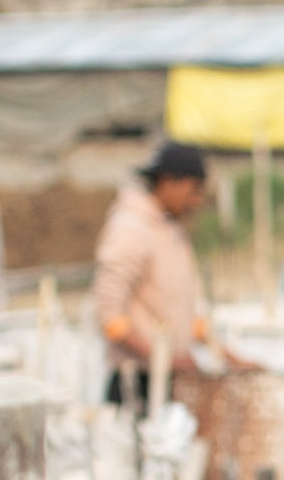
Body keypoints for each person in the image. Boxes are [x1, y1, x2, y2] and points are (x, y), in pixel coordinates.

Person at [92, 141, 242, 406]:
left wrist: (230, 358)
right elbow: (109, 318)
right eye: (193, 190)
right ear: (168, 182)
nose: (196, 201)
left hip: (170, 379)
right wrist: (164, 359)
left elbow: (185, 316)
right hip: (137, 384)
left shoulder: (168, 229)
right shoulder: (132, 229)